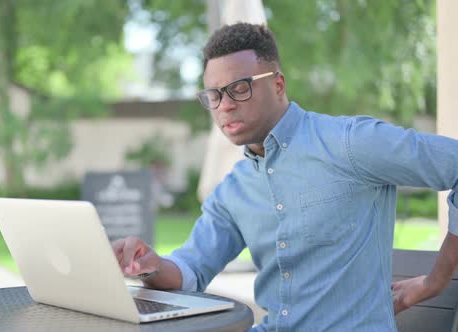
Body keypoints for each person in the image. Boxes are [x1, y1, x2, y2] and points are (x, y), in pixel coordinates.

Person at [111, 23, 458, 331]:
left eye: (240, 88)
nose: (225, 106)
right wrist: (150, 265)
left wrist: (435, 280)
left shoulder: (350, 143)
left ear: (278, 84)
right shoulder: (233, 189)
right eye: (214, 95)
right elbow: (191, 270)